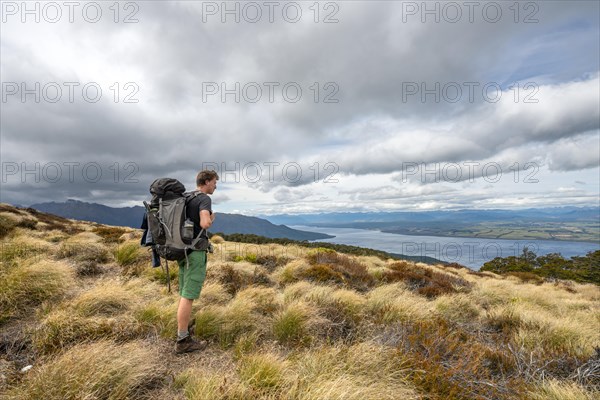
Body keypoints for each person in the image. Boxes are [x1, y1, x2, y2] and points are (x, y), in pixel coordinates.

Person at [175, 169, 219, 354]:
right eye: (215, 182)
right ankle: (182, 340)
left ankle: (183, 328)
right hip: (195, 252)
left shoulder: (186, 197)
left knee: (184, 292)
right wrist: (211, 218)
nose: (215, 185)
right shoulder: (204, 199)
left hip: (181, 251)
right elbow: (204, 224)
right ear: (207, 181)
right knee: (189, 295)